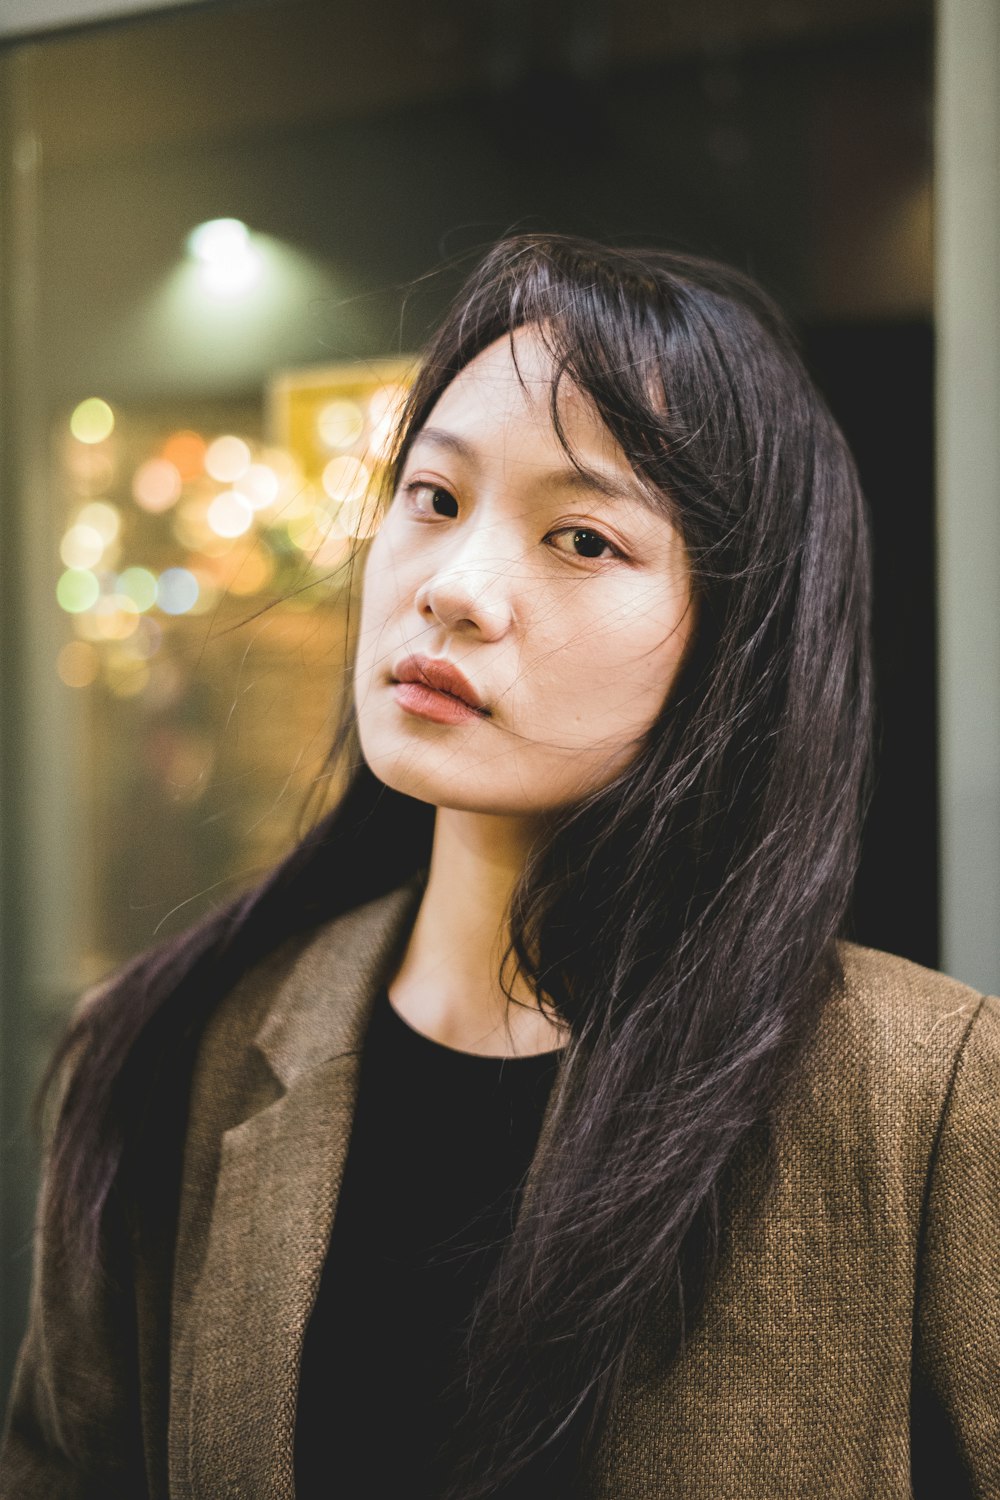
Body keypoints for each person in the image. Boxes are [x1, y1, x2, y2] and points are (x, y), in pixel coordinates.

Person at [1, 234, 997, 1500]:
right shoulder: (176, 1052)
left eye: (581, 539)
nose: (456, 589)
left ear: (740, 644)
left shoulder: (935, 1097)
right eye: (434, 498)